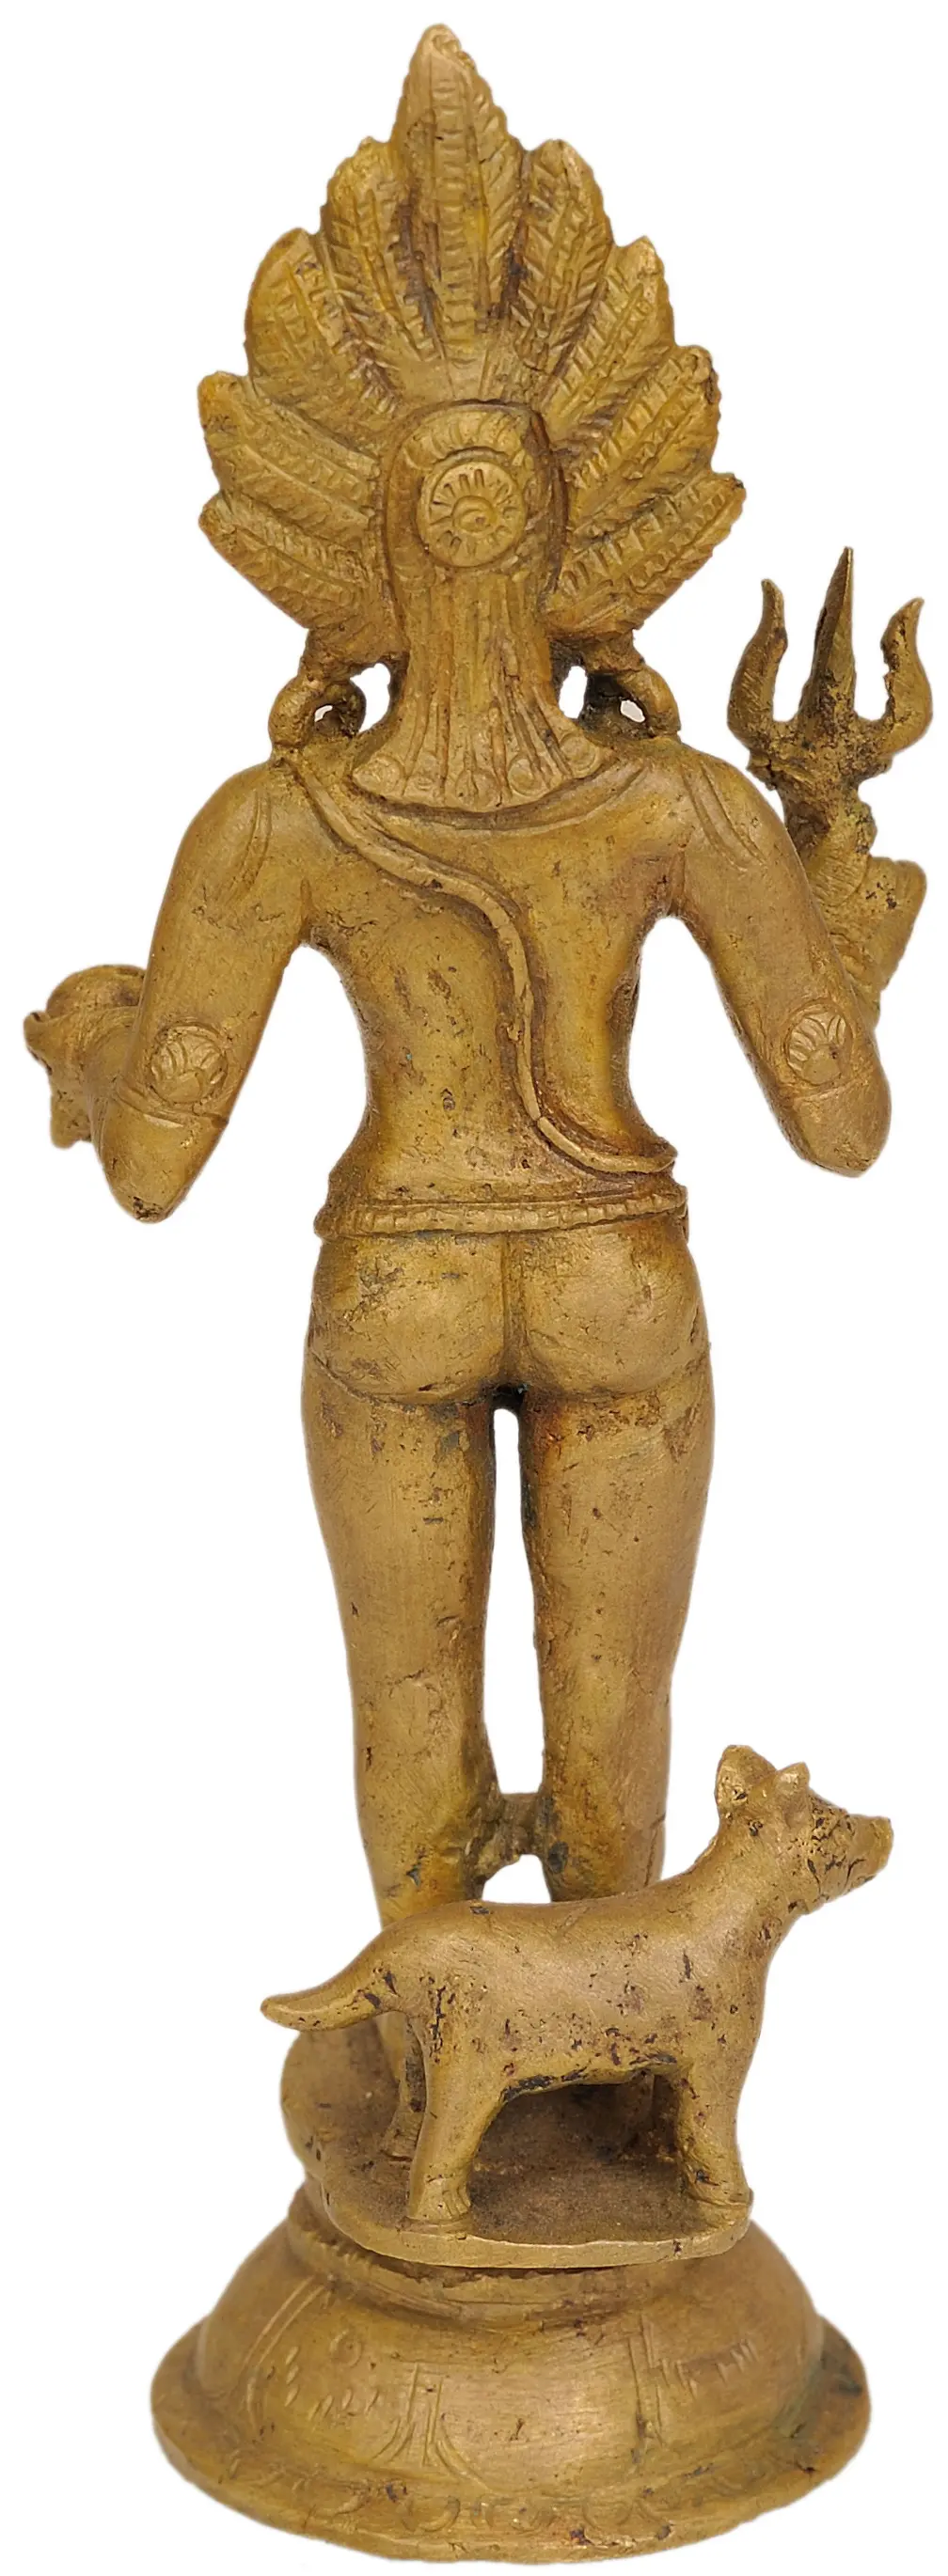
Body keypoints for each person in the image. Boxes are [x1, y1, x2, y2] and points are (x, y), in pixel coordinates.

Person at [24, 30, 908, 1962]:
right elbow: (844, 1119)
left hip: (397, 1284)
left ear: (346, 535)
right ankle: (600, 2057)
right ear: (592, 523)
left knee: (409, 1723)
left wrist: (95, 1047)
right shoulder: (678, 806)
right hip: (616, 1273)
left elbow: (154, 1168)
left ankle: (433, 2053)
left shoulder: (277, 822)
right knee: (620, 1744)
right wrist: (828, 852)